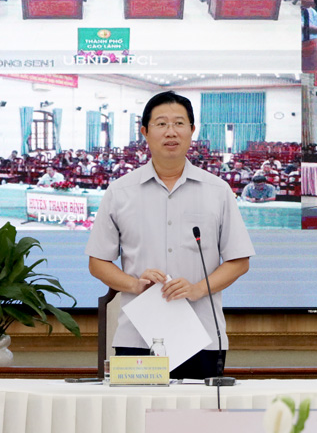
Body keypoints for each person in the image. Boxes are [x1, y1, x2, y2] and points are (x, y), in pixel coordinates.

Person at [86, 91, 255, 380]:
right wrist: (134, 284)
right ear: (145, 132)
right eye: (161, 124)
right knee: (136, 410)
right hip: (136, 338)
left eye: (179, 123)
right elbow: (97, 262)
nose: (171, 132)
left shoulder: (217, 191)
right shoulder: (120, 191)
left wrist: (197, 289)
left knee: (198, 410)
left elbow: (239, 261)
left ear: (192, 130)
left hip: (202, 337)